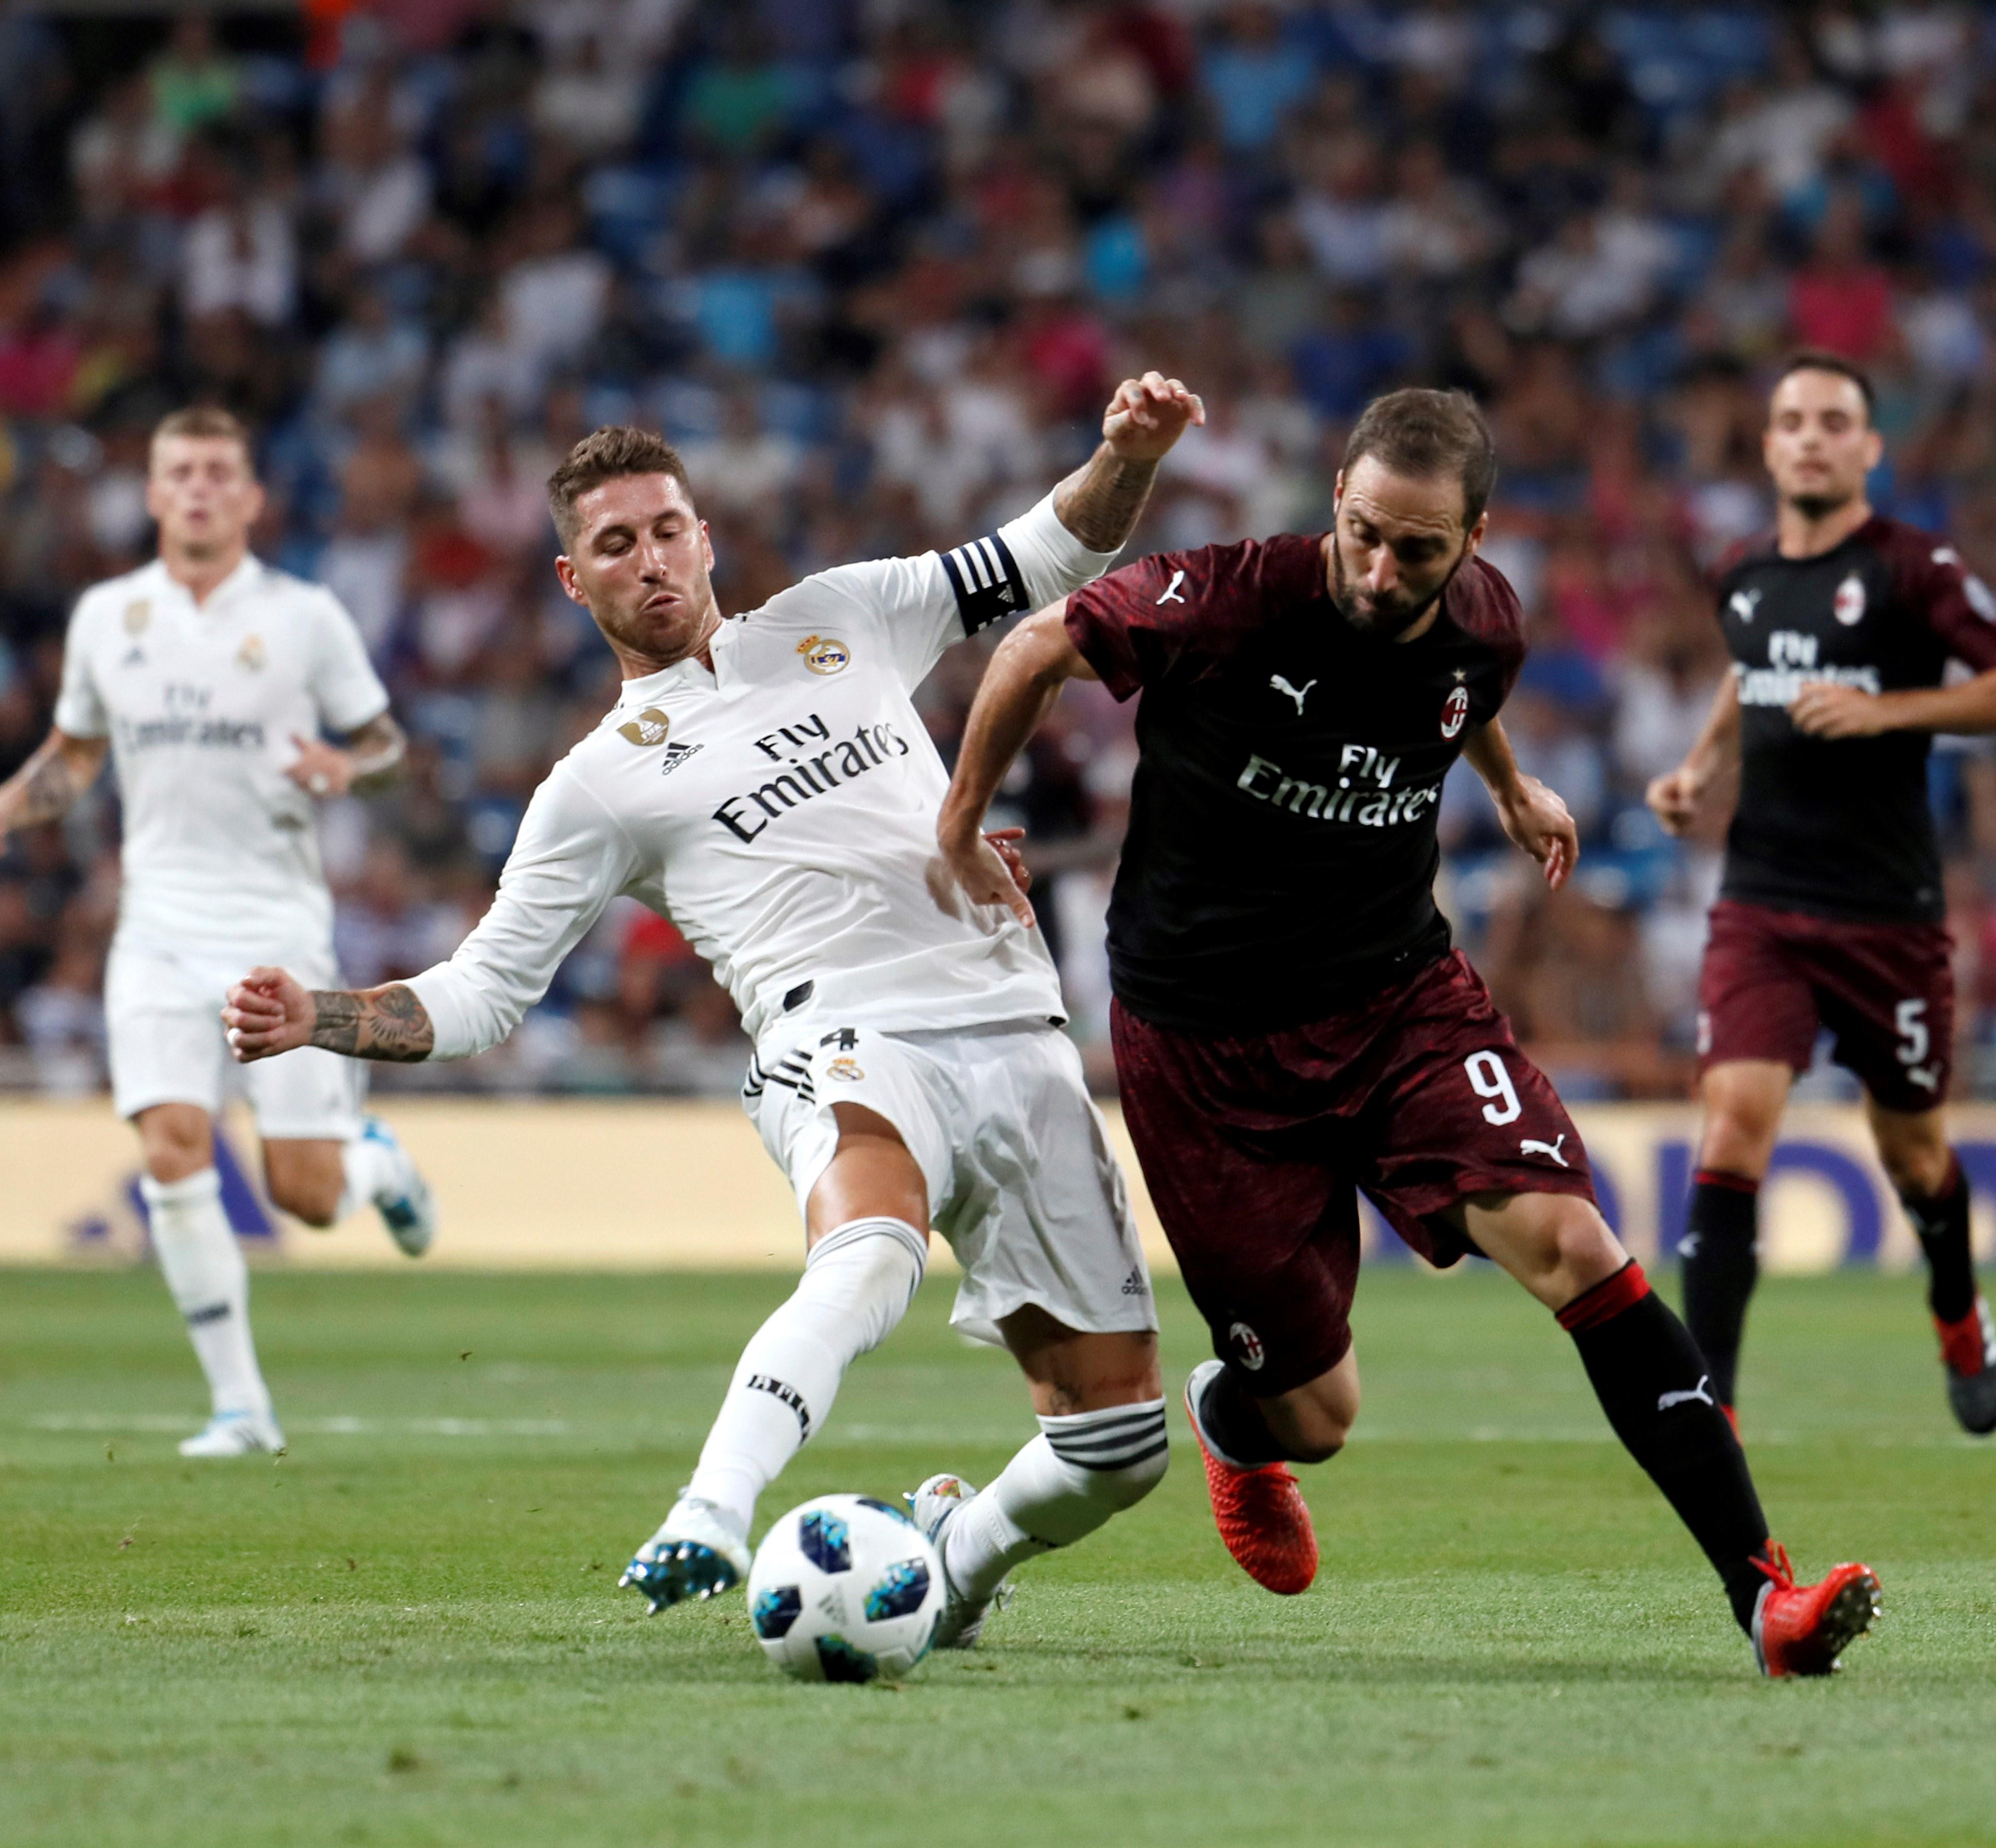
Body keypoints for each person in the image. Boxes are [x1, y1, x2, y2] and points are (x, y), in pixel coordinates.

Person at [223, 376, 1202, 1649]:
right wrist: (321, 1014)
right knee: (867, 1255)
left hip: (1017, 1039)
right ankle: (711, 1510)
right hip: (840, 1039)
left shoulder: (843, 615)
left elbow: (1054, 548)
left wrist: (1127, 451)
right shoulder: (600, 785)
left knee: (1117, 1446)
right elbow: (481, 991)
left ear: (706, 533)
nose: (652, 559)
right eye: (616, 545)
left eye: (668, 528)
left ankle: (953, 1556)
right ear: (578, 584)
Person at [938, 387, 1878, 1677]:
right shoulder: (1219, 600)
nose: (1383, 572)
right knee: (1317, 1418)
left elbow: (1448, 689)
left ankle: (1763, 1599)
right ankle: (1235, 1415)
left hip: (1399, 1001)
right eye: (1367, 535)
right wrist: (957, 825)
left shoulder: (1488, 625)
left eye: (1421, 550)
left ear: (1475, 540)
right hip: (1206, 1047)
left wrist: (1509, 783)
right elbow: (1032, 648)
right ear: (1336, 497)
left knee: (1573, 1242)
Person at [0, 405, 433, 1460]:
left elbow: (384, 741)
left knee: (306, 1194)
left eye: (216, 473)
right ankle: (243, 1409)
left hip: (276, 933)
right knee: (171, 1145)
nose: (196, 488)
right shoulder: (109, 617)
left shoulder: (303, 617)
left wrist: (343, 766)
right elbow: (75, 753)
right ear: (152, 494)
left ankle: (371, 1163)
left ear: (250, 497)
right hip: (154, 927)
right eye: (178, 471)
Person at [1647, 352, 1996, 1437]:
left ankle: (1958, 1313)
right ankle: (1711, 1411)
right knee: (1733, 1125)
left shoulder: (1915, 570)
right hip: (1763, 902)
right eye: (1793, 420)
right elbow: (1754, 672)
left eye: (1836, 421)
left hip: (1888, 916)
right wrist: (1699, 769)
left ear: (1870, 447)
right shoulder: (1741, 574)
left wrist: (1886, 714)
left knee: (1915, 1153)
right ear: (1770, 444)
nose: (1813, 437)